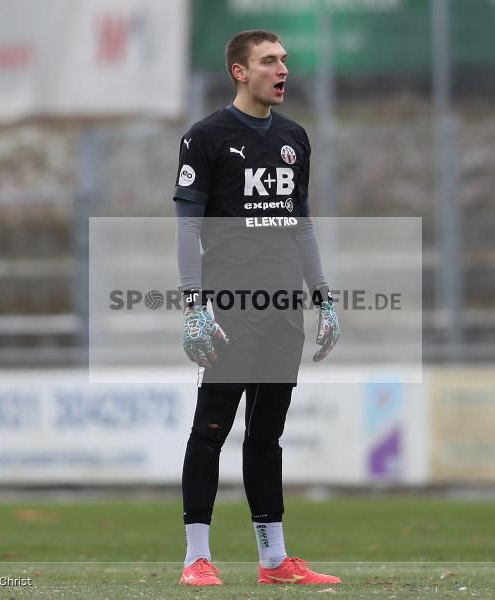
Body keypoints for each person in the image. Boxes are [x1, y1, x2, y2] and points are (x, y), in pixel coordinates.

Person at [172, 30, 341, 587]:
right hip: (230, 309)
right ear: (240, 72)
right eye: (269, 61)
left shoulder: (294, 137)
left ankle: (274, 560)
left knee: (267, 434)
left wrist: (322, 295)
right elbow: (187, 227)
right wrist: (193, 305)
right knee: (210, 430)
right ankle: (197, 558)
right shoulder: (205, 137)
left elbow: (302, 225)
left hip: (284, 310)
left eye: (284, 60)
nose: (282, 69)